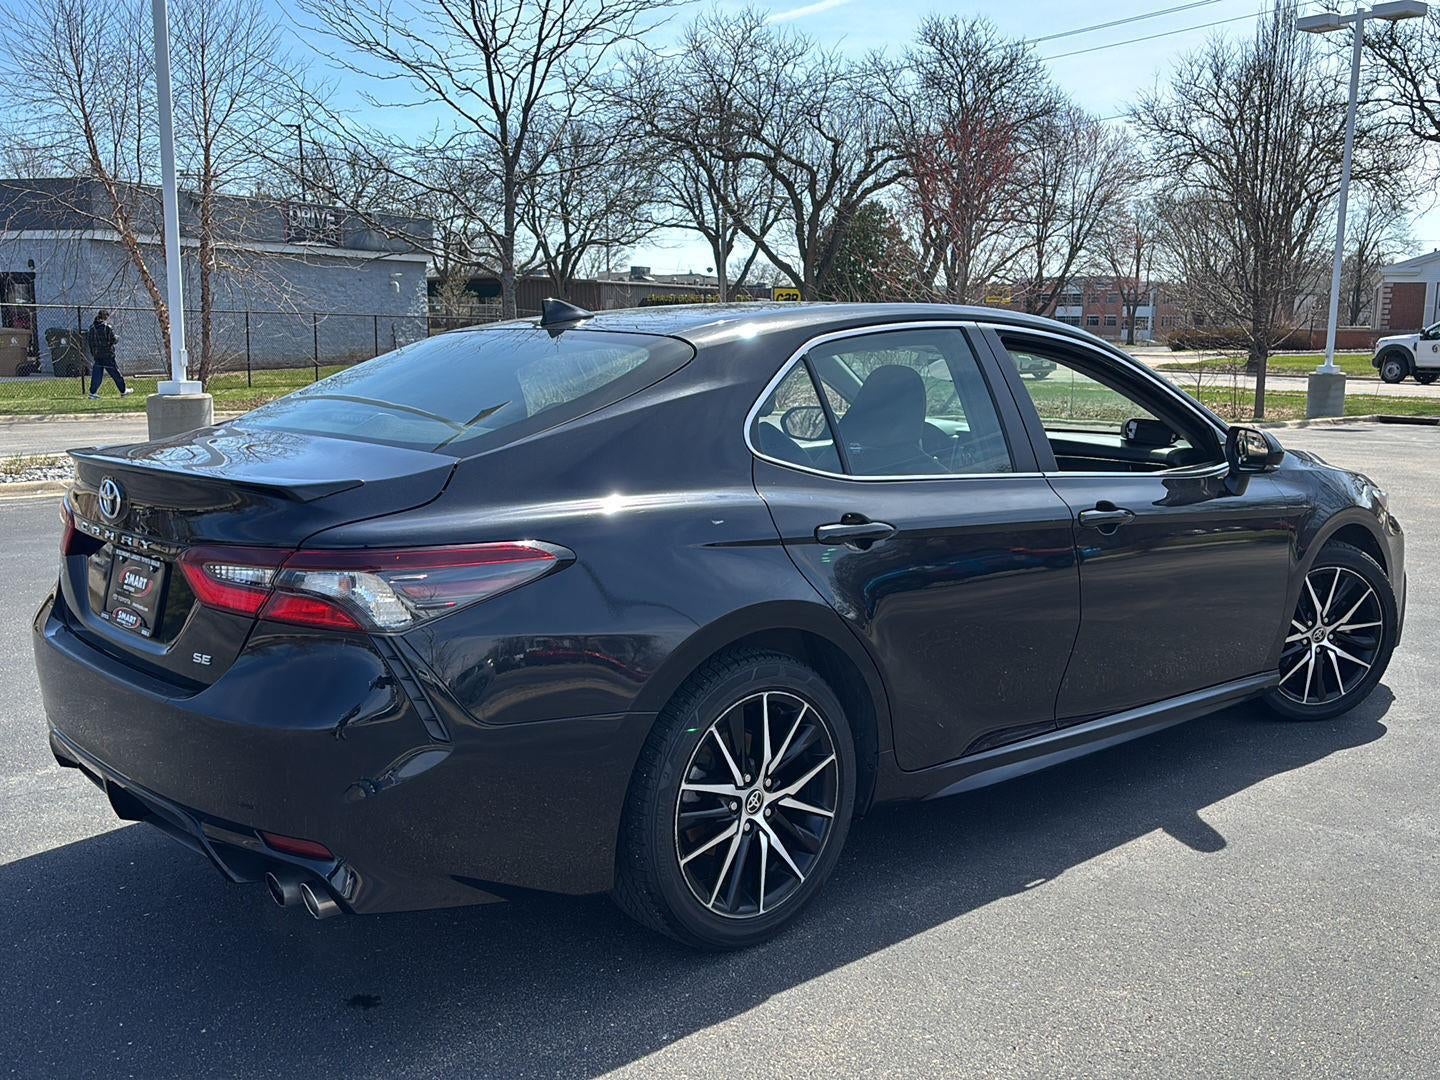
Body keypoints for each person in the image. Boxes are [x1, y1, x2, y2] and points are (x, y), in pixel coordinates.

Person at [87, 310, 130, 398]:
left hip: (97, 356)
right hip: (108, 356)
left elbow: (90, 342)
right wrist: (116, 338)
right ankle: (123, 390)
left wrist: (93, 353)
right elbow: (112, 340)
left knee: (97, 375)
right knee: (115, 374)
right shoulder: (107, 327)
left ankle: (93, 393)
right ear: (105, 317)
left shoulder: (91, 328)